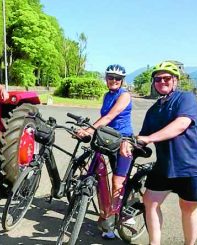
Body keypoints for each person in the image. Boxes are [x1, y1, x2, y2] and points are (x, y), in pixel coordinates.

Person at [121, 61, 197, 245]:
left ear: (175, 80)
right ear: (154, 83)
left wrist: (149, 139)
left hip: (191, 164)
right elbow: (143, 135)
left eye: (167, 78)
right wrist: (129, 142)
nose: (162, 82)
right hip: (164, 165)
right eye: (158, 79)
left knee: (188, 207)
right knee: (150, 201)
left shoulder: (185, 98)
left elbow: (181, 125)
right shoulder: (154, 109)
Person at [77, 64, 133, 239]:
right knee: (97, 175)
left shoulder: (124, 95)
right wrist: (89, 130)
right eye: (110, 77)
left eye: (117, 78)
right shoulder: (106, 95)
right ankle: (105, 213)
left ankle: (124, 214)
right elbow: (104, 119)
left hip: (123, 140)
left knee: (117, 182)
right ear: (106, 79)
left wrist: (90, 130)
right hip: (107, 138)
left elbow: (109, 117)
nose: (114, 81)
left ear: (122, 81)